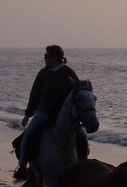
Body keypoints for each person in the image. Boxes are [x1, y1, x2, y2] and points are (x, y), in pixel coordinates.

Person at [14, 45, 80, 179]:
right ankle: (22, 165)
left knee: (82, 136)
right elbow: (35, 94)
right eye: (45, 56)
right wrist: (28, 114)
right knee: (27, 135)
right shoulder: (43, 73)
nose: (45, 59)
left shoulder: (68, 73)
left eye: (47, 56)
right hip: (44, 111)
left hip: (62, 113)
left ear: (57, 57)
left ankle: (83, 162)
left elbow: (77, 93)